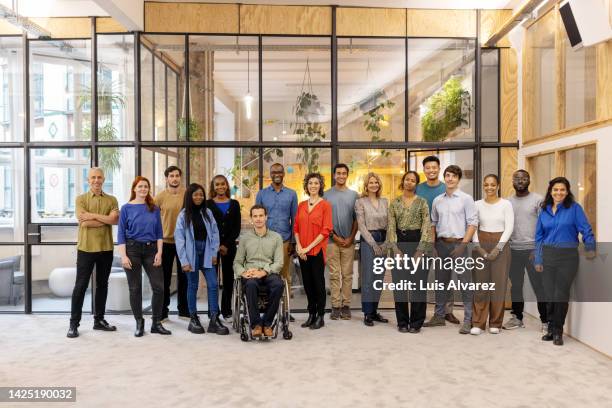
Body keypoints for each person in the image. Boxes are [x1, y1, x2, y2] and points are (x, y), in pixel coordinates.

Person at [535, 177, 595, 346]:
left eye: (562, 190)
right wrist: (538, 258)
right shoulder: (544, 210)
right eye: (555, 190)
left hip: (567, 257)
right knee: (549, 294)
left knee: (560, 294)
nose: (559, 193)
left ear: (567, 192)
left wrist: (590, 247)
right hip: (547, 255)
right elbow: (539, 236)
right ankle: (551, 328)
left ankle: (558, 332)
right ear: (550, 191)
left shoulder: (574, 209)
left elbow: (586, 228)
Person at [424, 165, 478, 335]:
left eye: (453, 176)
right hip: (441, 244)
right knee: (441, 282)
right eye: (447, 175)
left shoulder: (466, 199)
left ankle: (469, 320)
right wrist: (433, 245)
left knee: (464, 282)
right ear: (444, 177)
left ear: (458, 179)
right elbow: (433, 224)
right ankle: (439, 316)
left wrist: (463, 245)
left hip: (460, 243)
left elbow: (473, 223)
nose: (450, 179)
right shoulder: (438, 200)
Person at [67, 168, 119, 338]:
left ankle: (99, 320)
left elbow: (114, 220)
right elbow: (84, 224)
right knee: (80, 286)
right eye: (93, 178)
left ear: (104, 179)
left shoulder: (112, 199)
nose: (96, 180)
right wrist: (104, 220)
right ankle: (73, 324)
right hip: (86, 249)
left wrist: (92, 216)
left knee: (102, 285)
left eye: (99, 177)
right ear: (88, 180)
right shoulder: (80, 199)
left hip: (105, 248)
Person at [117, 176, 171, 337]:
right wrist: (123, 256)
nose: (143, 189)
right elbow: (120, 234)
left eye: (146, 186)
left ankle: (156, 323)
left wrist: (159, 253)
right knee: (135, 288)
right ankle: (139, 323)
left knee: (159, 288)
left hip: (151, 250)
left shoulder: (153, 208)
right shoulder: (126, 208)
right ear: (134, 189)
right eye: (140, 186)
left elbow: (159, 233)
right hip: (132, 250)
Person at [174, 183, 229, 335]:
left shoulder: (208, 213)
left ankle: (213, 318)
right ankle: (193, 318)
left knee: (212, 284)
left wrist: (213, 254)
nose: (199, 197)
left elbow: (215, 234)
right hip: (191, 252)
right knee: (193, 285)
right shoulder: (183, 215)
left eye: (201, 195)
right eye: (195, 194)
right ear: (190, 196)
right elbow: (179, 240)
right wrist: (184, 261)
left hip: (206, 251)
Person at [387, 171, 432, 333]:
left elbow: (427, 226)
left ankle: (416, 322)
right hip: (399, 243)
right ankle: (402, 322)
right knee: (400, 286)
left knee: (418, 286)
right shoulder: (394, 202)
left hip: (417, 242)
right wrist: (395, 249)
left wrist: (420, 251)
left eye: (413, 180)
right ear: (403, 182)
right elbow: (391, 226)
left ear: (416, 184)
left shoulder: (422, 202)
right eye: (407, 179)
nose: (409, 182)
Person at [503, 170, 547, 333]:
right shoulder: (507, 202)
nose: (520, 181)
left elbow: (544, 226)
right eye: (517, 178)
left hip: (533, 250)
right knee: (516, 286)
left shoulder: (538, 200)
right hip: (514, 250)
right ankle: (517, 318)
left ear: (529, 180)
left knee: (539, 286)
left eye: (524, 178)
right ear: (512, 181)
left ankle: (545, 320)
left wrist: (538, 249)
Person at [415, 155, 458, 325]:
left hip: (443, 239)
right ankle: (420, 311)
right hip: (422, 239)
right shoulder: (418, 189)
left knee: (445, 277)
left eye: (434, 167)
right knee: (421, 276)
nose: (431, 170)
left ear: (439, 169)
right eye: (428, 168)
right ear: (424, 170)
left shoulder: (446, 188)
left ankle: (447, 311)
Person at [471, 174, 514, 335]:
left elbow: (509, 227)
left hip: (500, 243)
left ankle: (495, 322)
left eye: (493, 185)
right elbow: (473, 226)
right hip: (481, 242)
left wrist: (498, 248)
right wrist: (479, 247)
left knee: (498, 286)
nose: (489, 187)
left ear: (498, 186)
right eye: (486, 185)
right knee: (481, 285)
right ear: (483, 186)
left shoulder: (506, 204)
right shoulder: (476, 204)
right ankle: (478, 323)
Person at [233, 205, 285, 337]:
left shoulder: (276, 237)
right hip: (251, 272)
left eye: (261, 216)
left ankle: (267, 323)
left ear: (266, 217)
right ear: (251, 219)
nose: (258, 219)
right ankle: (256, 325)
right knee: (250, 284)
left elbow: (279, 262)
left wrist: (264, 272)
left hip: (269, 272)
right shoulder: (245, 238)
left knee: (279, 285)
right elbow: (237, 262)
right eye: (255, 216)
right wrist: (243, 272)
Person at [256, 163, 298, 321]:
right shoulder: (262, 194)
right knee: (266, 274)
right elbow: (257, 217)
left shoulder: (292, 194)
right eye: (274, 172)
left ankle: (285, 311)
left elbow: (295, 219)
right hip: (265, 241)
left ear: (283, 174)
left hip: (285, 241)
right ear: (270, 174)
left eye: (280, 171)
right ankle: (268, 308)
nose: (277, 174)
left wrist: (293, 242)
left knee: (284, 276)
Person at [294, 172, 333, 330]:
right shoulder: (302, 205)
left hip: (316, 251)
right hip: (302, 251)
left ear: (320, 186)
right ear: (306, 186)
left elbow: (326, 231)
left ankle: (320, 316)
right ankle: (311, 314)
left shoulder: (325, 205)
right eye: (310, 183)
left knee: (318, 284)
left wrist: (307, 247)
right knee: (308, 285)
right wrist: (299, 247)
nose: (313, 186)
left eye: (316, 183)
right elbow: (296, 227)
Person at [325, 163, 359, 320]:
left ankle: (346, 306)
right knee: (334, 275)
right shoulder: (326, 195)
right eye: (338, 173)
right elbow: (325, 221)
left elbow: (357, 219)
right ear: (334, 175)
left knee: (347, 275)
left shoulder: (354, 195)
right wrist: (335, 237)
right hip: (332, 242)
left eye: (344, 173)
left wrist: (351, 238)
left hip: (349, 241)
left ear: (347, 175)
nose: (341, 176)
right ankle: (335, 306)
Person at [355, 172, 389, 327]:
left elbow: (390, 224)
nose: (374, 185)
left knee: (379, 278)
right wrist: (374, 245)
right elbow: (361, 226)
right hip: (369, 241)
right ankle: (367, 313)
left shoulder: (385, 201)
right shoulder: (360, 202)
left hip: (384, 240)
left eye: (376, 182)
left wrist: (386, 243)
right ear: (366, 186)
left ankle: (375, 311)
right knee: (368, 278)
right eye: (371, 183)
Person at [154, 166, 188, 321]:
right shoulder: (159, 197)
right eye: (171, 176)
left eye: (177, 175)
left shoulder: (187, 195)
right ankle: (163, 312)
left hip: (184, 242)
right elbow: (152, 220)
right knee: (165, 279)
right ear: (166, 178)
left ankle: (184, 310)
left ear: (180, 178)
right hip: (165, 243)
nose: (174, 178)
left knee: (185, 278)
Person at [206, 175, 241, 320]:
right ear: (213, 187)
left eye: (223, 184)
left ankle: (226, 311)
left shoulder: (234, 204)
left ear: (227, 186)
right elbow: (207, 226)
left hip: (229, 247)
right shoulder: (207, 204)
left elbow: (236, 227)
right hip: (211, 247)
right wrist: (216, 245)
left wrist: (226, 244)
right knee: (212, 280)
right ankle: (212, 311)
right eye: (217, 185)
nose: (220, 187)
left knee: (228, 279)